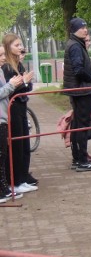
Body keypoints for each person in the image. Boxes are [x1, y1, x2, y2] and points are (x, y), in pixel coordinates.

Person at [62, 18, 91, 172]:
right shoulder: (75, 46)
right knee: (82, 126)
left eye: (86, 27)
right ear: (74, 30)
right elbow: (78, 69)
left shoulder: (76, 44)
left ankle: (78, 158)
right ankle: (82, 160)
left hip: (78, 90)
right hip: (81, 91)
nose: (85, 30)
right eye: (82, 28)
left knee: (78, 125)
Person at [1, 34, 37, 192]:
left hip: (22, 107)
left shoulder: (18, 65)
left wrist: (25, 82)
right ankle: (14, 180)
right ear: (9, 47)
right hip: (13, 109)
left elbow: (26, 87)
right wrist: (23, 82)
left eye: (20, 44)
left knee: (24, 143)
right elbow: (10, 88)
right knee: (15, 144)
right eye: (16, 45)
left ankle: (22, 177)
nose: (20, 47)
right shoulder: (7, 67)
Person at [0, 44, 25, 201]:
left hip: (3, 117)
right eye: (0, 55)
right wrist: (11, 85)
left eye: (3, 54)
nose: (4, 57)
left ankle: (4, 187)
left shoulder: (1, 71)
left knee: (2, 155)